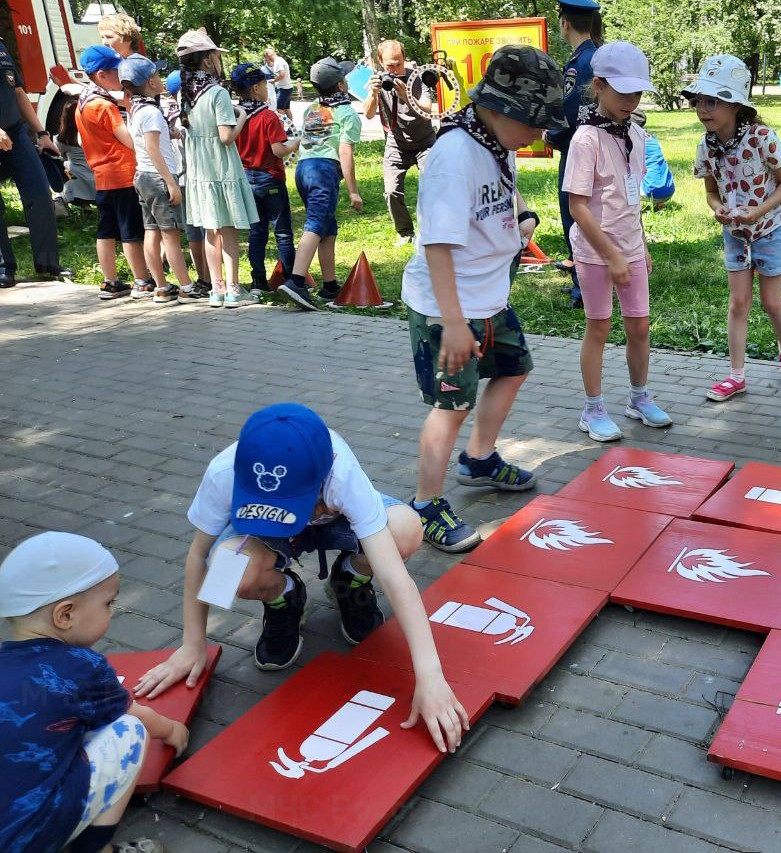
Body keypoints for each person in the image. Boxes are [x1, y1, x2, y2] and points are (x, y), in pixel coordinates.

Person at [132, 403, 471, 756]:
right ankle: (283, 596)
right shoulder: (224, 473)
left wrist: (430, 676)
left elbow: (396, 578)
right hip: (266, 538)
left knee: (405, 530)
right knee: (225, 569)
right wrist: (192, 643)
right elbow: (198, 556)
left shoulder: (341, 472)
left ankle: (349, 579)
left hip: (338, 525)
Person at [403, 46, 562, 551]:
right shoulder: (454, 155)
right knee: (450, 405)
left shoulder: (492, 139)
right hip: (448, 306)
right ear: (500, 109)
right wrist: (452, 324)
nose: (540, 134)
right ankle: (424, 505)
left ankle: (480, 459)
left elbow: (500, 187)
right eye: (535, 122)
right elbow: (437, 246)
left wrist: (521, 216)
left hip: (488, 298)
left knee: (514, 367)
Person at [0, 531, 185, 853]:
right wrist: (171, 729)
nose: (112, 611)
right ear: (66, 614)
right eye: (108, 603)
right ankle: (96, 848)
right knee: (130, 730)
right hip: (29, 837)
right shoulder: (81, 666)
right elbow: (135, 715)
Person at [564, 41, 672, 441]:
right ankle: (592, 410)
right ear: (599, 85)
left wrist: (638, 246)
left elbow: (632, 199)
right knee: (599, 327)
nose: (631, 100)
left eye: (637, 93)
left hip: (629, 249)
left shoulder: (638, 135)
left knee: (639, 326)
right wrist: (610, 255)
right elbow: (578, 206)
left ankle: (638, 398)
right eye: (623, 92)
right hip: (595, 252)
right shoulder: (586, 140)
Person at [686, 54, 781, 401]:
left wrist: (759, 211)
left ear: (735, 105)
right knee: (738, 304)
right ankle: (736, 375)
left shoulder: (762, 137)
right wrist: (719, 208)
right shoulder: (705, 147)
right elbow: (710, 192)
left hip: (771, 228)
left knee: (770, 301)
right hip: (736, 234)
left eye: (712, 101)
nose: (702, 109)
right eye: (698, 101)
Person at [176, 29, 258, 308]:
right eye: (216, 56)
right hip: (221, 168)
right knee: (229, 229)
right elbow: (226, 136)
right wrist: (243, 118)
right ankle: (235, 289)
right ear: (209, 61)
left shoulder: (186, 94)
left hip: (199, 170)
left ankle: (217, 289)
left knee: (211, 231)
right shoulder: (217, 93)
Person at [279, 57, 363, 310]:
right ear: (340, 85)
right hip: (324, 171)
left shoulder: (314, 107)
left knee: (327, 226)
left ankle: (329, 286)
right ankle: (296, 282)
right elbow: (345, 153)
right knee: (315, 224)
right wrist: (353, 191)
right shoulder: (347, 113)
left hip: (304, 169)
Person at [75, 44, 154, 300]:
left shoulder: (83, 103)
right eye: (115, 70)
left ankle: (110, 281)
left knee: (106, 230)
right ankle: (142, 280)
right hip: (122, 173)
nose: (120, 75)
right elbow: (127, 139)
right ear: (101, 75)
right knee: (131, 231)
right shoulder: (104, 106)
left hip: (102, 175)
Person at [121, 56, 198, 304]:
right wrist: (171, 183)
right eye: (157, 75)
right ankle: (186, 287)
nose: (160, 78)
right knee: (171, 235)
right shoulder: (152, 112)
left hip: (142, 176)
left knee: (151, 232)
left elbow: (144, 143)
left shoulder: (136, 109)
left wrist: (170, 131)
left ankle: (161, 287)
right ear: (151, 82)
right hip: (158, 177)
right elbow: (153, 149)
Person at [545, 0, 604, 308]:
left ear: (565, 24)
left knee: (576, 216)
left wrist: (551, 136)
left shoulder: (579, 62)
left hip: (578, 150)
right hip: (602, 147)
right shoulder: (600, 55)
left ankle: (584, 287)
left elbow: (569, 109)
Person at [0, 38, 70, 287]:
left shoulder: (1, 46)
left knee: (40, 192)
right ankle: (4, 267)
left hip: (16, 133)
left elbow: (17, 92)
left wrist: (41, 133)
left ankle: (48, 262)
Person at [229, 63, 299, 294]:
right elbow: (278, 150)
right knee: (282, 232)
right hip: (270, 179)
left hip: (247, 180)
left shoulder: (235, 115)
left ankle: (258, 280)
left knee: (256, 232)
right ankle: (292, 281)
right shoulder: (268, 116)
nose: (268, 87)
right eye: (265, 83)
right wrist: (298, 142)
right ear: (257, 88)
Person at [366, 39, 438, 245]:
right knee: (391, 191)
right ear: (381, 62)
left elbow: (426, 112)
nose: (396, 69)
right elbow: (369, 114)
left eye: (399, 63)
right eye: (390, 65)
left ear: (404, 58)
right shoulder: (378, 81)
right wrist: (373, 93)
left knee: (433, 185)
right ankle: (405, 232)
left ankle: (431, 230)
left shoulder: (419, 77)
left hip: (425, 142)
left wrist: (405, 95)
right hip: (396, 143)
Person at [165, 69, 212, 294]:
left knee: (194, 232)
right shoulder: (187, 115)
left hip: (179, 178)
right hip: (193, 178)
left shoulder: (167, 114)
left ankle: (204, 278)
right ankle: (208, 276)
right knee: (202, 230)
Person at [53, 98, 96, 211]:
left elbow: (58, 154)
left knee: (65, 167)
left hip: (76, 176)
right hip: (96, 174)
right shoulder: (93, 133)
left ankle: (82, 204)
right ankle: (88, 204)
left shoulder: (62, 139)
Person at [632, 110, 674, 206]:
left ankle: (632, 208)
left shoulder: (633, 141)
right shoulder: (652, 138)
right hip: (670, 190)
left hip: (650, 193)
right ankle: (660, 203)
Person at [263, 48, 294, 112]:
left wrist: (274, 81)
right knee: (286, 109)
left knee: (278, 109)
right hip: (287, 87)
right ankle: (290, 122)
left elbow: (282, 74)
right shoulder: (280, 59)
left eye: (265, 56)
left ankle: (280, 122)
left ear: (268, 55)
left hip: (284, 89)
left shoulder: (278, 62)